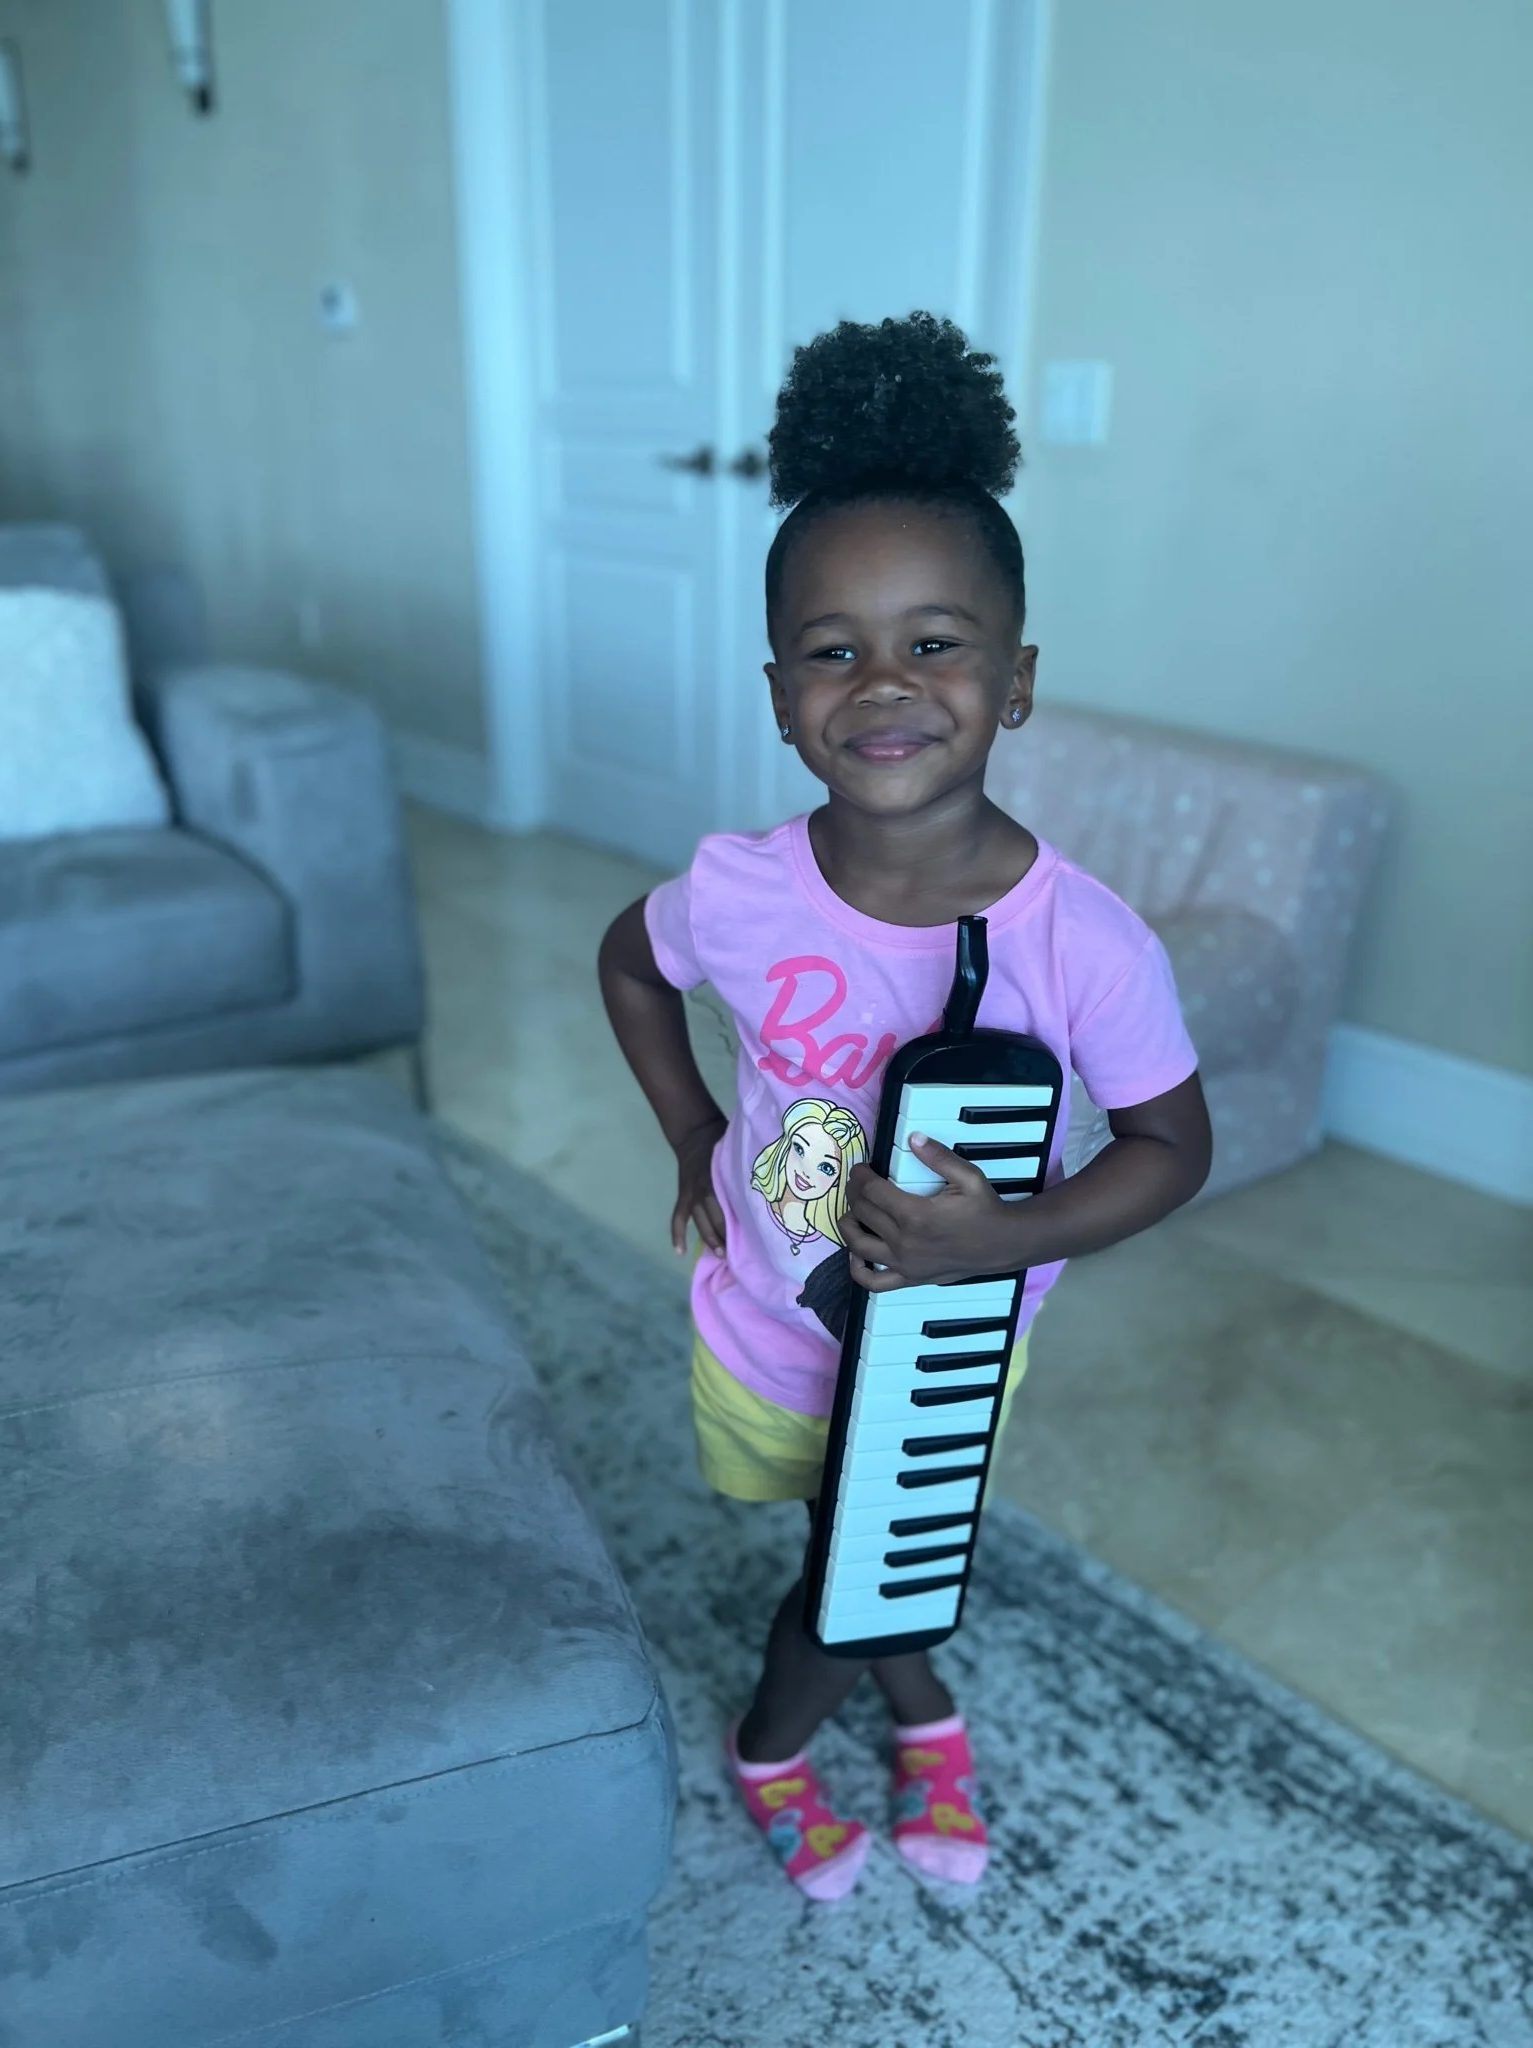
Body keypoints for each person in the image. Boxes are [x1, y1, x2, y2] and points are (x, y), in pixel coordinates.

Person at [599, 312, 1212, 1901]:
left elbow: (1170, 1148)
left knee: (880, 1558)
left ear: (1015, 683)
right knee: (851, 1555)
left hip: (952, 1349)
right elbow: (628, 964)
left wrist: (1001, 1233)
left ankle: (778, 1738)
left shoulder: (1084, 939)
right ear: (779, 689)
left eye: (936, 644)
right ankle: (887, 1698)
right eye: (833, 648)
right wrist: (688, 1130)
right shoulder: (736, 892)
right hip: (765, 1333)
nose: (884, 684)